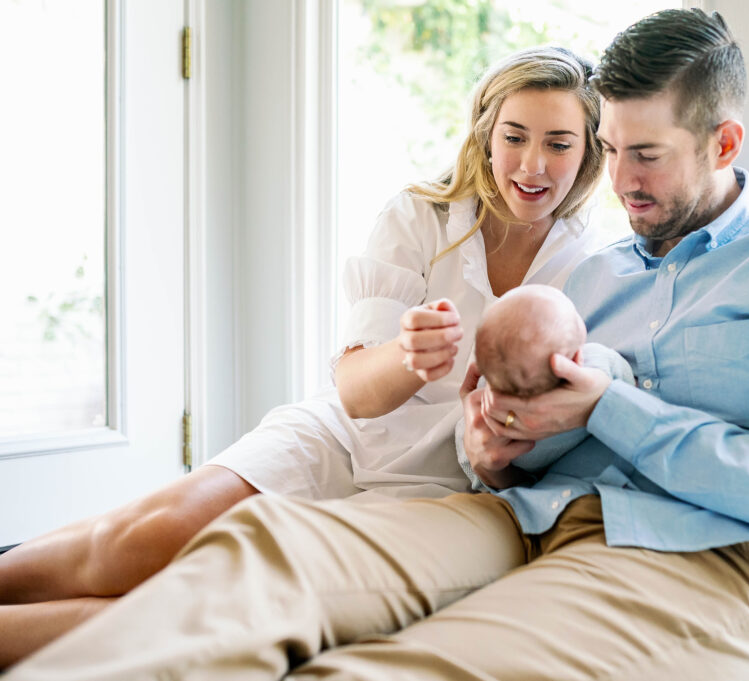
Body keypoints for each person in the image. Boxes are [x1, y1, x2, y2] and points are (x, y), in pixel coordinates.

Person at [8, 9, 749, 680]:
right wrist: (494, 448)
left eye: (645, 155)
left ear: (724, 141)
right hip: (518, 517)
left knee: (405, 664)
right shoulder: (590, 273)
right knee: (258, 554)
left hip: (703, 555)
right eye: (612, 151)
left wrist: (611, 410)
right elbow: (509, 450)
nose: (619, 182)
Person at [0, 45, 607, 668]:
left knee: (194, 606)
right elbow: (355, 391)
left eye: (559, 143)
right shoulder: (421, 216)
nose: (533, 164)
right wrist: (408, 355)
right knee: (147, 538)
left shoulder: (595, 269)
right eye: (515, 137)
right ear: (485, 135)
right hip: (342, 435)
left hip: (437, 490)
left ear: (589, 150)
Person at [456, 283, 634, 490]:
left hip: (516, 458)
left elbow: (471, 452)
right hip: (576, 475)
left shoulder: (488, 394)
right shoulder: (597, 362)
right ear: (576, 359)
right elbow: (627, 384)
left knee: (464, 429)